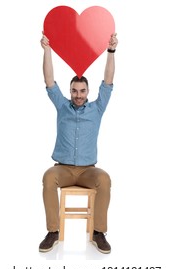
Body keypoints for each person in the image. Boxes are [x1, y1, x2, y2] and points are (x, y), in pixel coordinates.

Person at [39, 32, 118, 254]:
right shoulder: (62, 106)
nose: (78, 95)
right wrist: (47, 50)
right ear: (70, 91)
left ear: (88, 92)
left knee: (104, 178)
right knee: (48, 177)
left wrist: (111, 52)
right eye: (74, 90)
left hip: (87, 171)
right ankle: (53, 232)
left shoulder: (97, 109)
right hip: (62, 169)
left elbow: (108, 81)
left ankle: (98, 232)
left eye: (82, 91)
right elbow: (49, 80)